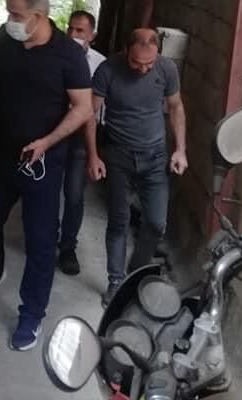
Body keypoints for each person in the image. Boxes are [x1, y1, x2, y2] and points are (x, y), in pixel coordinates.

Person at [0, 0, 93, 351]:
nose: (9, 19)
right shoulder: (4, 38)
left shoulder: (68, 54)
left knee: (40, 241)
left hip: (42, 162)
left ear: (39, 16)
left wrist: (47, 141)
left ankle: (32, 313)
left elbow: (82, 108)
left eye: (16, 14)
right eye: (9, 12)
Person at [88, 28, 188, 307]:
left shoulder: (166, 69)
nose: (143, 69)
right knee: (118, 221)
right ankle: (116, 281)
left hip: (155, 158)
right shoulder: (108, 70)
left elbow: (176, 107)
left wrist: (180, 149)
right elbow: (89, 114)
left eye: (149, 63)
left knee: (156, 222)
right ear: (125, 51)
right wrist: (93, 155)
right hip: (118, 156)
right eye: (136, 62)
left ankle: (135, 273)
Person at [58, 10, 107, 276]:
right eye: (70, 29)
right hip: (54, 133)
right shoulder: (54, 56)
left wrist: (94, 152)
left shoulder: (100, 65)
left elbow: (97, 112)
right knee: (46, 191)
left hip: (81, 137)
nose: (73, 35)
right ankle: (45, 239)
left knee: (74, 195)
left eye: (80, 31)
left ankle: (68, 247)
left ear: (92, 35)